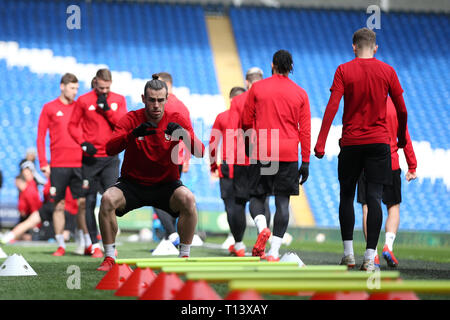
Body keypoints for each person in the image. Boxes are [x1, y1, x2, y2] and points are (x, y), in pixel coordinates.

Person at [314, 28, 408, 271]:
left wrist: (320, 143)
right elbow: (402, 110)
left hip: (351, 143)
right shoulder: (388, 71)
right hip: (379, 144)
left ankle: (348, 255)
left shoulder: (343, 70)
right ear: (375, 48)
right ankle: (369, 257)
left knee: (346, 195)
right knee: (375, 198)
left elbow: (332, 107)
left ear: (353, 46)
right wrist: (400, 139)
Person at [96, 75, 205, 271]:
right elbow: (109, 149)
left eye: (160, 100)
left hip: (166, 185)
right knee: (107, 200)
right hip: (132, 184)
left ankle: (184, 257)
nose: (156, 105)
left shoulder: (177, 119)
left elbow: (200, 152)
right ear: (143, 98)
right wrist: (132, 135)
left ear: (167, 99)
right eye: (151, 100)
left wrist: (184, 135)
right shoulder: (131, 119)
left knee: (188, 199)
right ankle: (109, 257)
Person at [242, 51, 311, 261]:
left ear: (272, 65)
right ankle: (273, 252)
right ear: (291, 67)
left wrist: (249, 146)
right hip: (289, 153)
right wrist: (306, 161)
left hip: (263, 149)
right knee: (282, 202)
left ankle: (263, 228)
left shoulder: (258, 88)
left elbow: (246, 121)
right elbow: (305, 130)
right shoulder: (300, 93)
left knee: (256, 196)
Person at [68, 68, 128, 258]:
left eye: (107, 88)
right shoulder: (84, 100)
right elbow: (72, 125)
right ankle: (94, 244)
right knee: (87, 201)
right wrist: (83, 144)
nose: (104, 91)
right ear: (95, 82)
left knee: (112, 201)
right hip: (90, 159)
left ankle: (110, 243)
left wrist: (107, 110)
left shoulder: (118, 100)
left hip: (111, 158)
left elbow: (123, 125)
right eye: (101, 87)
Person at [357, 96, 417, 268]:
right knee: (393, 207)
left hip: (367, 163)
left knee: (368, 207)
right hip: (391, 162)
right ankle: (388, 246)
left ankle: (372, 254)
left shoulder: (365, 103)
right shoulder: (396, 107)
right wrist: (412, 165)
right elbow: (405, 138)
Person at [37, 73, 89, 257]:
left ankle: (84, 241)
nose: (75, 92)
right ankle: (61, 245)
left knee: (83, 204)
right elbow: (41, 136)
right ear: (62, 86)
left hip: (79, 164)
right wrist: (43, 162)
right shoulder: (49, 108)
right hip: (58, 165)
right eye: (72, 88)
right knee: (58, 206)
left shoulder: (80, 107)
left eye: (77, 88)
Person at [228, 67, 272, 256]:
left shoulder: (238, 100)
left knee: (239, 202)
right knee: (263, 200)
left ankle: (238, 245)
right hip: (265, 155)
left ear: (247, 82)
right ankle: (262, 242)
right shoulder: (269, 99)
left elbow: (231, 130)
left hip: (242, 157)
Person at [148, 72, 194, 246]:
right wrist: (187, 158)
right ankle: (171, 237)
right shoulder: (182, 106)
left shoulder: (160, 104)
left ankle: (173, 235)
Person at [209, 86, 247, 256]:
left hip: (228, 166)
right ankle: (240, 241)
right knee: (242, 206)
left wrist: (212, 166)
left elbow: (212, 143)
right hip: (247, 166)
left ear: (231, 99)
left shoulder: (222, 117)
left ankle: (238, 242)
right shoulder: (252, 118)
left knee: (230, 206)